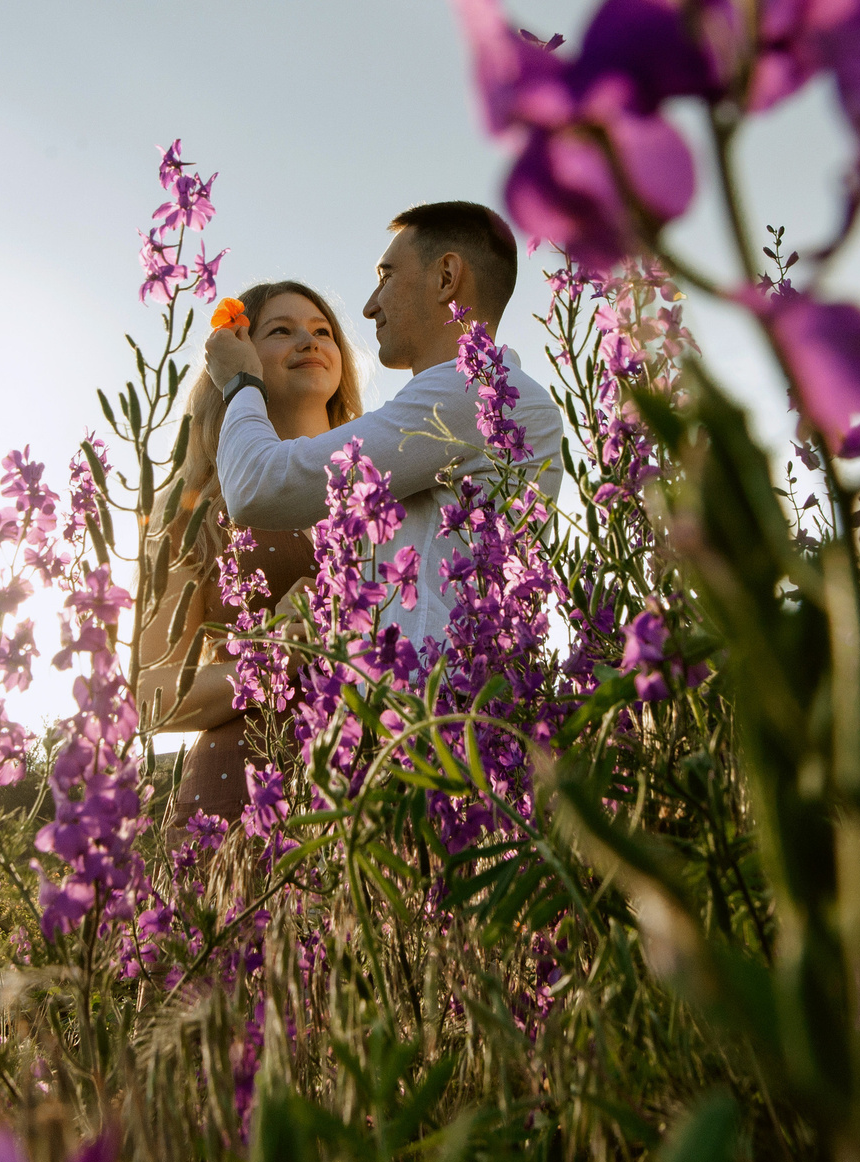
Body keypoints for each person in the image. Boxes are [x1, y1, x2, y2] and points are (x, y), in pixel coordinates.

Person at [204, 202, 564, 647]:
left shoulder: (472, 394)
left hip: (439, 708)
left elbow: (257, 486)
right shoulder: (467, 398)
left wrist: (241, 381)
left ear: (446, 277)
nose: (371, 306)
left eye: (386, 276)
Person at [139, 280, 365, 820]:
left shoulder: (379, 488)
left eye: (322, 331)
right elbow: (149, 692)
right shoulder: (191, 505)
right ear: (238, 357)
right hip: (239, 801)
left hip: (377, 796)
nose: (308, 342)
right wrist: (274, 653)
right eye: (280, 331)